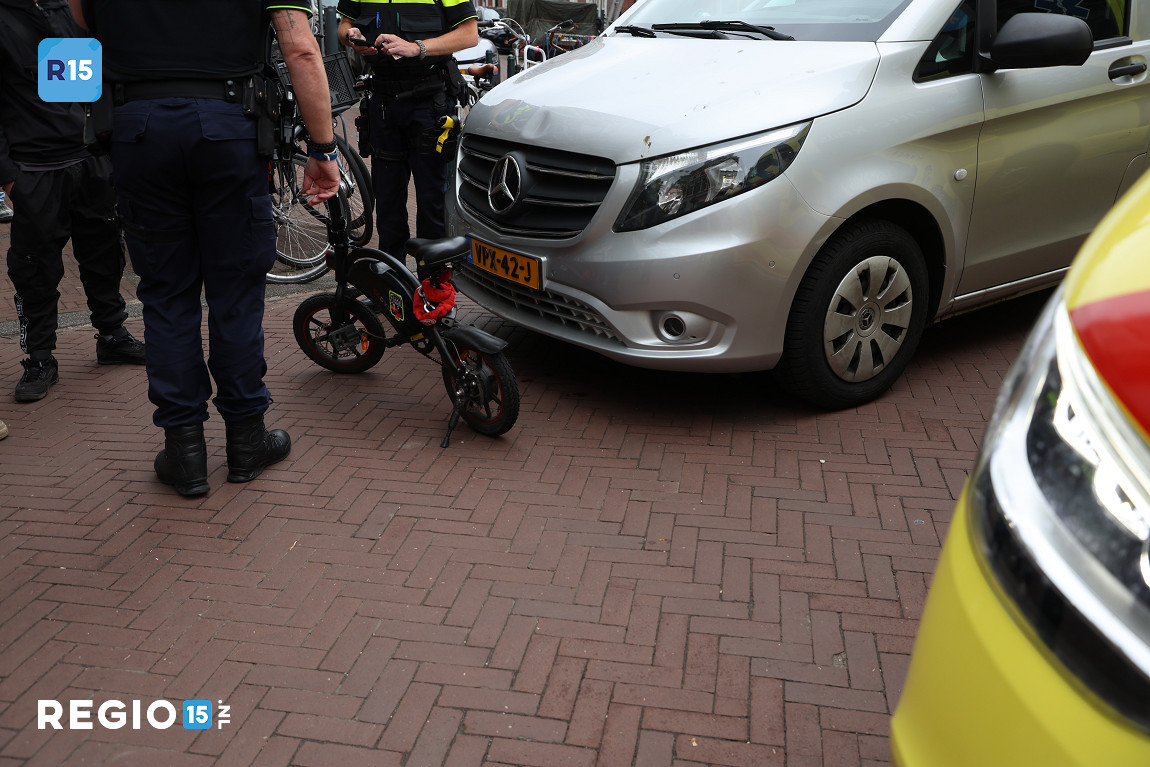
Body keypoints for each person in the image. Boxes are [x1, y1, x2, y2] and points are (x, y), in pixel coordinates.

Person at [68, 0, 340, 496]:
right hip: (228, 128)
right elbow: (300, 49)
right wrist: (322, 149)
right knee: (234, 294)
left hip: (139, 131)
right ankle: (246, 440)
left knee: (167, 294)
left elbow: (76, 30)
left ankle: (185, 453)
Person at [0, 0, 146, 404]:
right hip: (35, 168)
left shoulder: (63, 10)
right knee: (34, 268)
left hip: (89, 159)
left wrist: (107, 144)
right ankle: (40, 358)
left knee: (103, 253)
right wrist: (10, 178)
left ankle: (112, 334)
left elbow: (87, 82)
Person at [336, 0, 478, 260]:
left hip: (429, 102)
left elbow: (469, 34)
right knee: (387, 204)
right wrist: (350, 36)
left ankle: (432, 292)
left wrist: (416, 48)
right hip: (383, 102)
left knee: (432, 203)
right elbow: (344, 24)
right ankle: (393, 292)